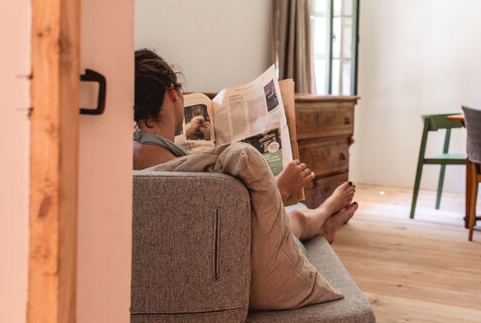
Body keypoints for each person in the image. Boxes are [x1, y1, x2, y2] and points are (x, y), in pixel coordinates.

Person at [133, 48, 358, 243]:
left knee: (294, 216)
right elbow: (235, 223)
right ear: (172, 92)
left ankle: (324, 223)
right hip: (226, 245)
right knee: (292, 219)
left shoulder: (137, 152)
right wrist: (281, 188)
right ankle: (326, 213)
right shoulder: (177, 169)